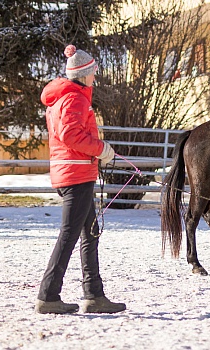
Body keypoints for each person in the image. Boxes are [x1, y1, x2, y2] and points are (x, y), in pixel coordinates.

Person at [35, 44, 126, 314]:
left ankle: (94, 295)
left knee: (90, 233)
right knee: (70, 235)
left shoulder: (67, 97)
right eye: (93, 73)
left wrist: (98, 151)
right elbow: (71, 136)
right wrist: (101, 149)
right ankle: (48, 295)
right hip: (75, 175)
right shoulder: (74, 98)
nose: (94, 77)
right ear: (83, 73)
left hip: (75, 172)